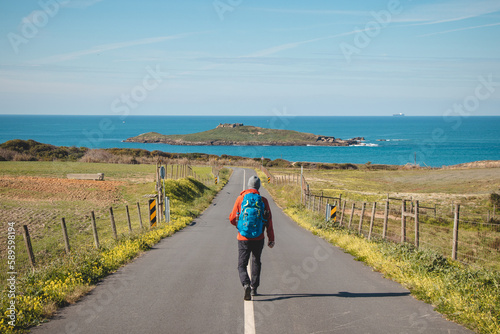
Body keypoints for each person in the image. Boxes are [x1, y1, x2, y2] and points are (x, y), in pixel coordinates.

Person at [229, 175, 275, 301]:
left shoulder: (240, 198)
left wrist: (239, 226)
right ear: (258, 187)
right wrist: (271, 238)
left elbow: (232, 218)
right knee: (256, 261)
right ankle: (254, 288)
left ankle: (246, 284)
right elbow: (268, 221)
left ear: (248, 186)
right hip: (259, 237)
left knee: (241, 265)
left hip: (243, 237)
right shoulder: (263, 201)